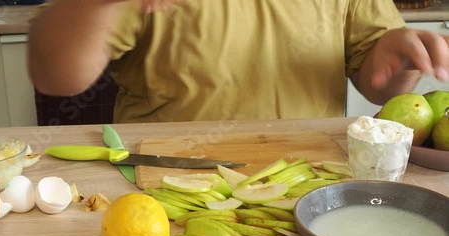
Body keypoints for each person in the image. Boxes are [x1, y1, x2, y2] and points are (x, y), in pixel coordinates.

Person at [27, 0, 449, 123]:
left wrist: (398, 64)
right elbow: (55, 78)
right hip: (164, 182)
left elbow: (377, 84)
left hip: (311, 180)